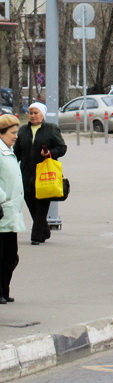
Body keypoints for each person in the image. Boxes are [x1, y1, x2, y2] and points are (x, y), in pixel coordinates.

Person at [14, 103, 66, 245]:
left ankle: (36, 236)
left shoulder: (51, 129)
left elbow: (62, 148)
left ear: (42, 114)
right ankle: (45, 231)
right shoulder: (23, 130)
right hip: (26, 174)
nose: (33, 115)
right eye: (30, 113)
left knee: (42, 206)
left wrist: (50, 153)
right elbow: (17, 152)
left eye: (36, 113)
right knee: (31, 204)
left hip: (44, 174)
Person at [0, 115, 25, 302]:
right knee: (2, 255)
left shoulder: (8, 150)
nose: (15, 136)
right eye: (12, 133)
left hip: (11, 211)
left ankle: (4, 290)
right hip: (2, 209)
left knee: (11, 256)